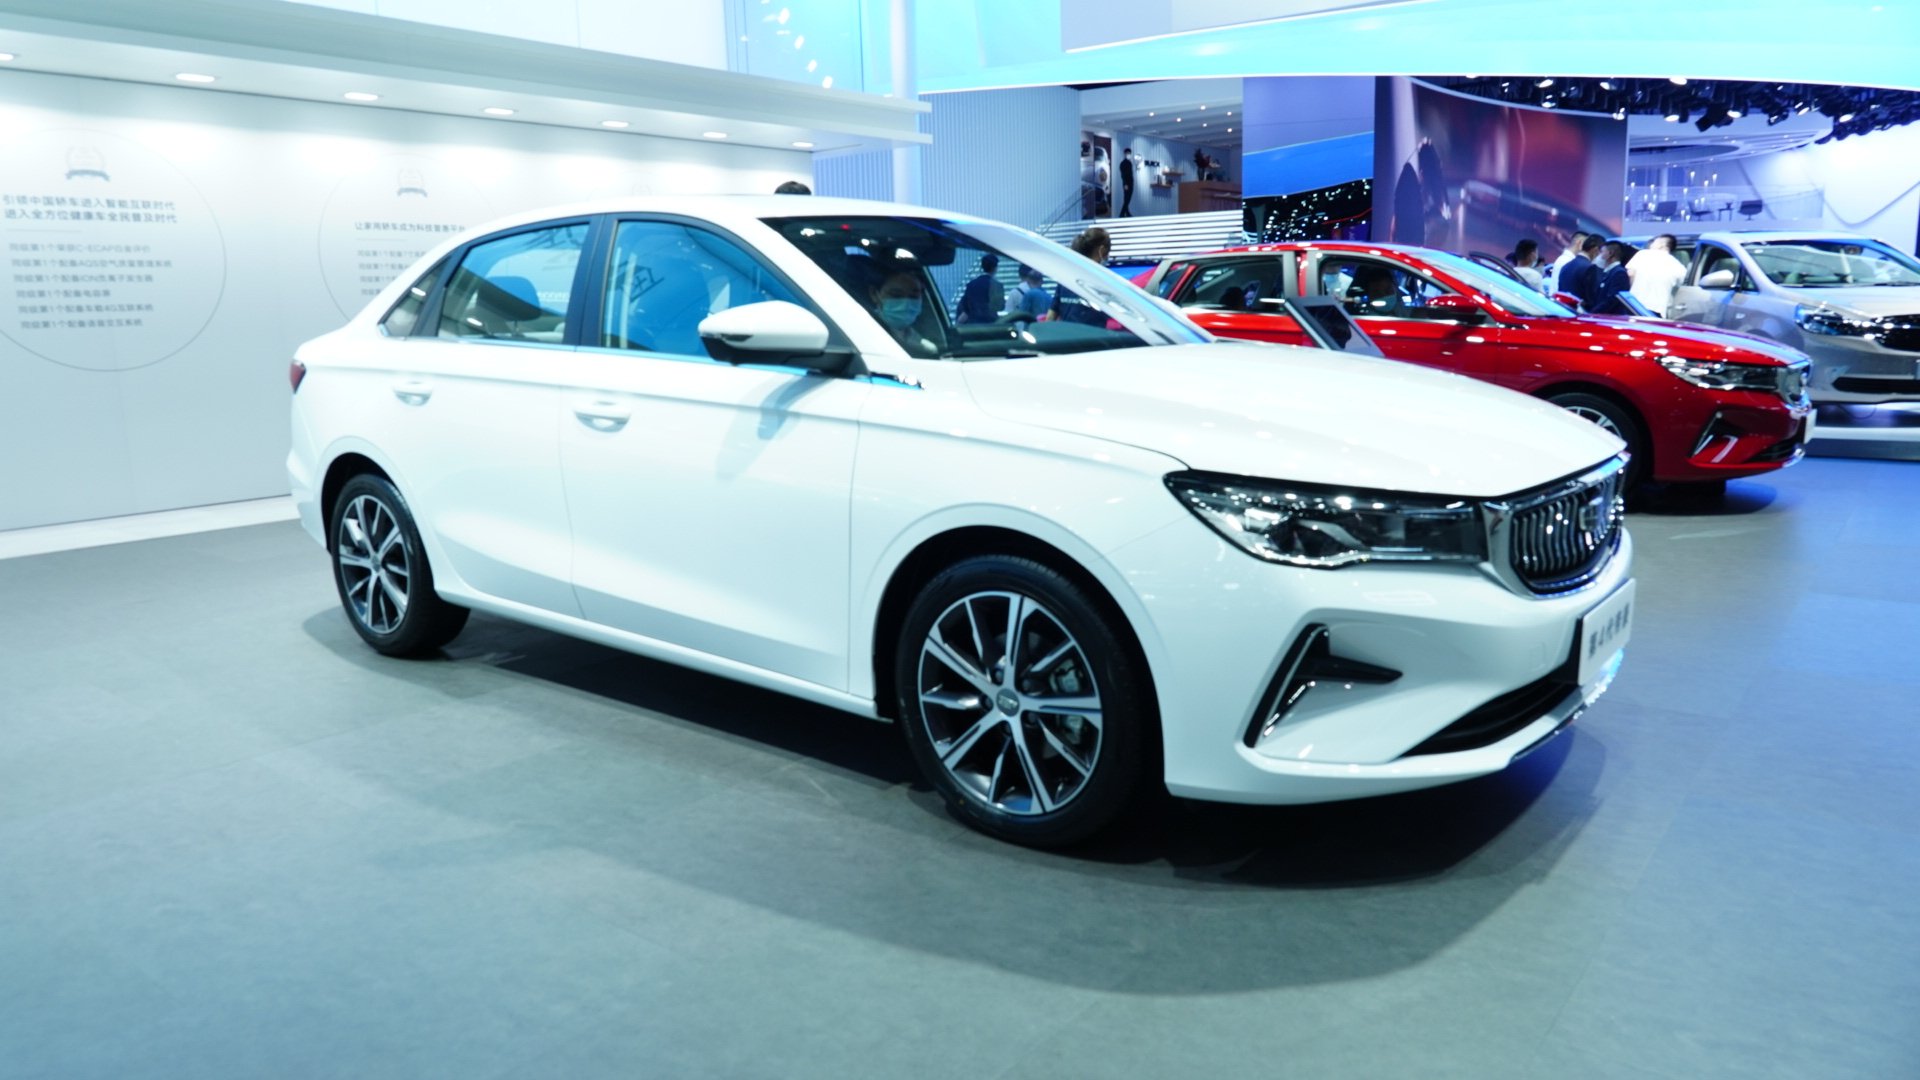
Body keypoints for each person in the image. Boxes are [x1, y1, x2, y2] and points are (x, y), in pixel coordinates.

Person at [866, 261, 940, 356]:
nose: (905, 304)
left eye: (914, 296)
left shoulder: (925, 347)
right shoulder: (863, 335)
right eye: (896, 295)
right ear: (874, 294)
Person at [1049, 227, 1112, 325]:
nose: (1107, 257)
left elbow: (1050, 317)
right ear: (1102, 250)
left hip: (1065, 334)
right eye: (1108, 253)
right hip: (1093, 334)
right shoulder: (1104, 282)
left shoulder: (1065, 278)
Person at [1627, 233, 1688, 317]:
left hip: (1635, 306)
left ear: (1661, 245)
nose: (1651, 245)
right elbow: (1682, 288)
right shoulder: (1680, 267)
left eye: (1654, 242)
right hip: (1659, 311)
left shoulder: (1642, 254)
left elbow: (1630, 274)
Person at [955, 253, 1005, 324]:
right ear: (995, 268)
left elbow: (966, 308)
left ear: (982, 266)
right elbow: (1001, 307)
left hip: (974, 324)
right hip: (991, 324)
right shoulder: (998, 285)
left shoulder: (971, 285)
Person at [1588, 241, 1635, 315]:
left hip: (1609, 317)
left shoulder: (1619, 273)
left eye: (1602, 252)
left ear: (1610, 253)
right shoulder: (1609, 272)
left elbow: (1611, 300)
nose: (1599, 256)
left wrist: (1592, 313)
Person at [1561, 235, 1603, 309]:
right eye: (1601, 252)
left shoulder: (1566, 265)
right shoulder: (1590, 268)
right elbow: (1590, 298)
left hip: (1564, 309)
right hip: (1579, 311)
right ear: (1595, 250)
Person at [1119, 147, 1136, 217]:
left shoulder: (1130, 163)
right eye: (1127, 153)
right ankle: (1122, 214)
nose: (1129, 155)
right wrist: (1125, 184)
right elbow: (1123, 175)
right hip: (1126, 184)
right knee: (1127, 199)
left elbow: (1130, 173)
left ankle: (1127, 213)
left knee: (1127, 199)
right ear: (1125, 154)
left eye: (1129, 153)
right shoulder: (1122, 163)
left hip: (1130, 183)